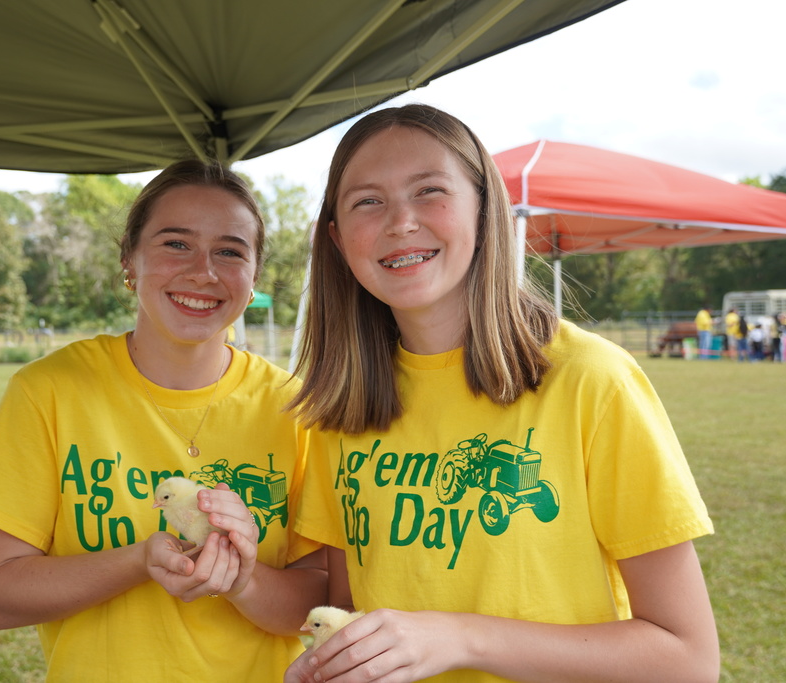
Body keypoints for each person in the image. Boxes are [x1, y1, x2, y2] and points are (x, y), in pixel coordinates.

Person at [284, 104, 719, 683]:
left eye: (429, 190)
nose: (401, 222)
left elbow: (687, 660)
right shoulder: (345, 405)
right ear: (337, 239)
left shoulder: (593, 380)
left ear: (487, 210)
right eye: (367, 201)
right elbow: (355, 623)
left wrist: (462, 637)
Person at [0, 159, 326, 682]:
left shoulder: (298, 408)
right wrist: (137, 562)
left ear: (255, 273)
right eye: (176, 243)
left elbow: (316, 605)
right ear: (129, 257)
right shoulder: (48, 391)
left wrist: (242, 579)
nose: (204, 271)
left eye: (230, 251)